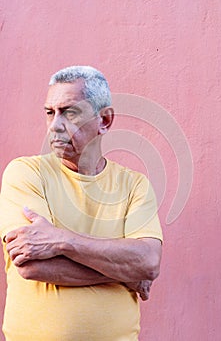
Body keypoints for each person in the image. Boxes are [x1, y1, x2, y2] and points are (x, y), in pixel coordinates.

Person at [0, 66, 163, 341]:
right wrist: (125, 275)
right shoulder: (25, 173)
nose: (55, 125)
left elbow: (148, 261)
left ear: (105, 121)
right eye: (50, 113)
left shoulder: (135, 185)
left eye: (69, 112)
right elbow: (31, 266)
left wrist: (62, 241)